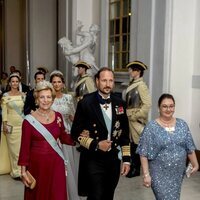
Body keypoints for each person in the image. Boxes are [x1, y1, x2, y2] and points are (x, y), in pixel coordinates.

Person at [71, 67, 131, 200]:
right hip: (93, 158)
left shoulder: (120, 103)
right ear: (97, 81)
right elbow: (75, 133)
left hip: (113, 159)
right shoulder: (86, 103)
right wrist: (97, 144)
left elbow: (125, 134)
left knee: (108, 195)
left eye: (111, 80)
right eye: (104, 80)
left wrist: (126, 160)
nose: (108, 84)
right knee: (96, 195)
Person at [18, 80, 75, 200]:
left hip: (56, 163)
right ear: (37, 100)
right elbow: (24, 148)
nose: (46, 100)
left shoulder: (58, 116)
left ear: (53, 99)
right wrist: (23, 171)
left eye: (49, 97)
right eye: (42, 97)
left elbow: (64, 137)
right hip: (37, 166)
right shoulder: (28, 121)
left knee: (57, 194)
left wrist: (80, 138)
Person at [137, 93, 199, 200]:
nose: (168, 109)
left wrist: (195, 164)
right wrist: (146, 175)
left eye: (171, 106)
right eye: (164, 106)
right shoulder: (151, 127)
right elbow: (143, 153)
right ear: (159, 108)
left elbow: (190, 147)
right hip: (158, 174)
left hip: (177, 174)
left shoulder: (182, 124)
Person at [50, 70, 80, 200]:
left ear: (63, 84)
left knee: (67, 164)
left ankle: (69, 193)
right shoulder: (47, 98)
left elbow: (74, 117)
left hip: (66, 133)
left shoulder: (68, 98)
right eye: (54, 82)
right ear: (51, 84)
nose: (56, 84)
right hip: (51, 135)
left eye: (59, 82)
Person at [125, 60, 151, 178]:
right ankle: (133, 166)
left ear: (138, 71)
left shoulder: (141, 86)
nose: (130, 71)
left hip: (136, 120)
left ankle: (136, 169)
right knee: (132, 143)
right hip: (130, 119)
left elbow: (147, 105)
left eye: (132, 69)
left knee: (137, 144)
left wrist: (135, 116)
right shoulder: (133, 83)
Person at [1, 73, 25, 179]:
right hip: (11, 126)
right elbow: (4, 112)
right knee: (14, 150)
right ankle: (16, 172)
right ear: (10, 83)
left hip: (22, 125)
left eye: (16, 81)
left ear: (19, 82)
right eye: (13, 81)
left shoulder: (23, 95)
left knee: (21, 149)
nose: (15, 83)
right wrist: (5, 124)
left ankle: (21, 170)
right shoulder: (5, 96)